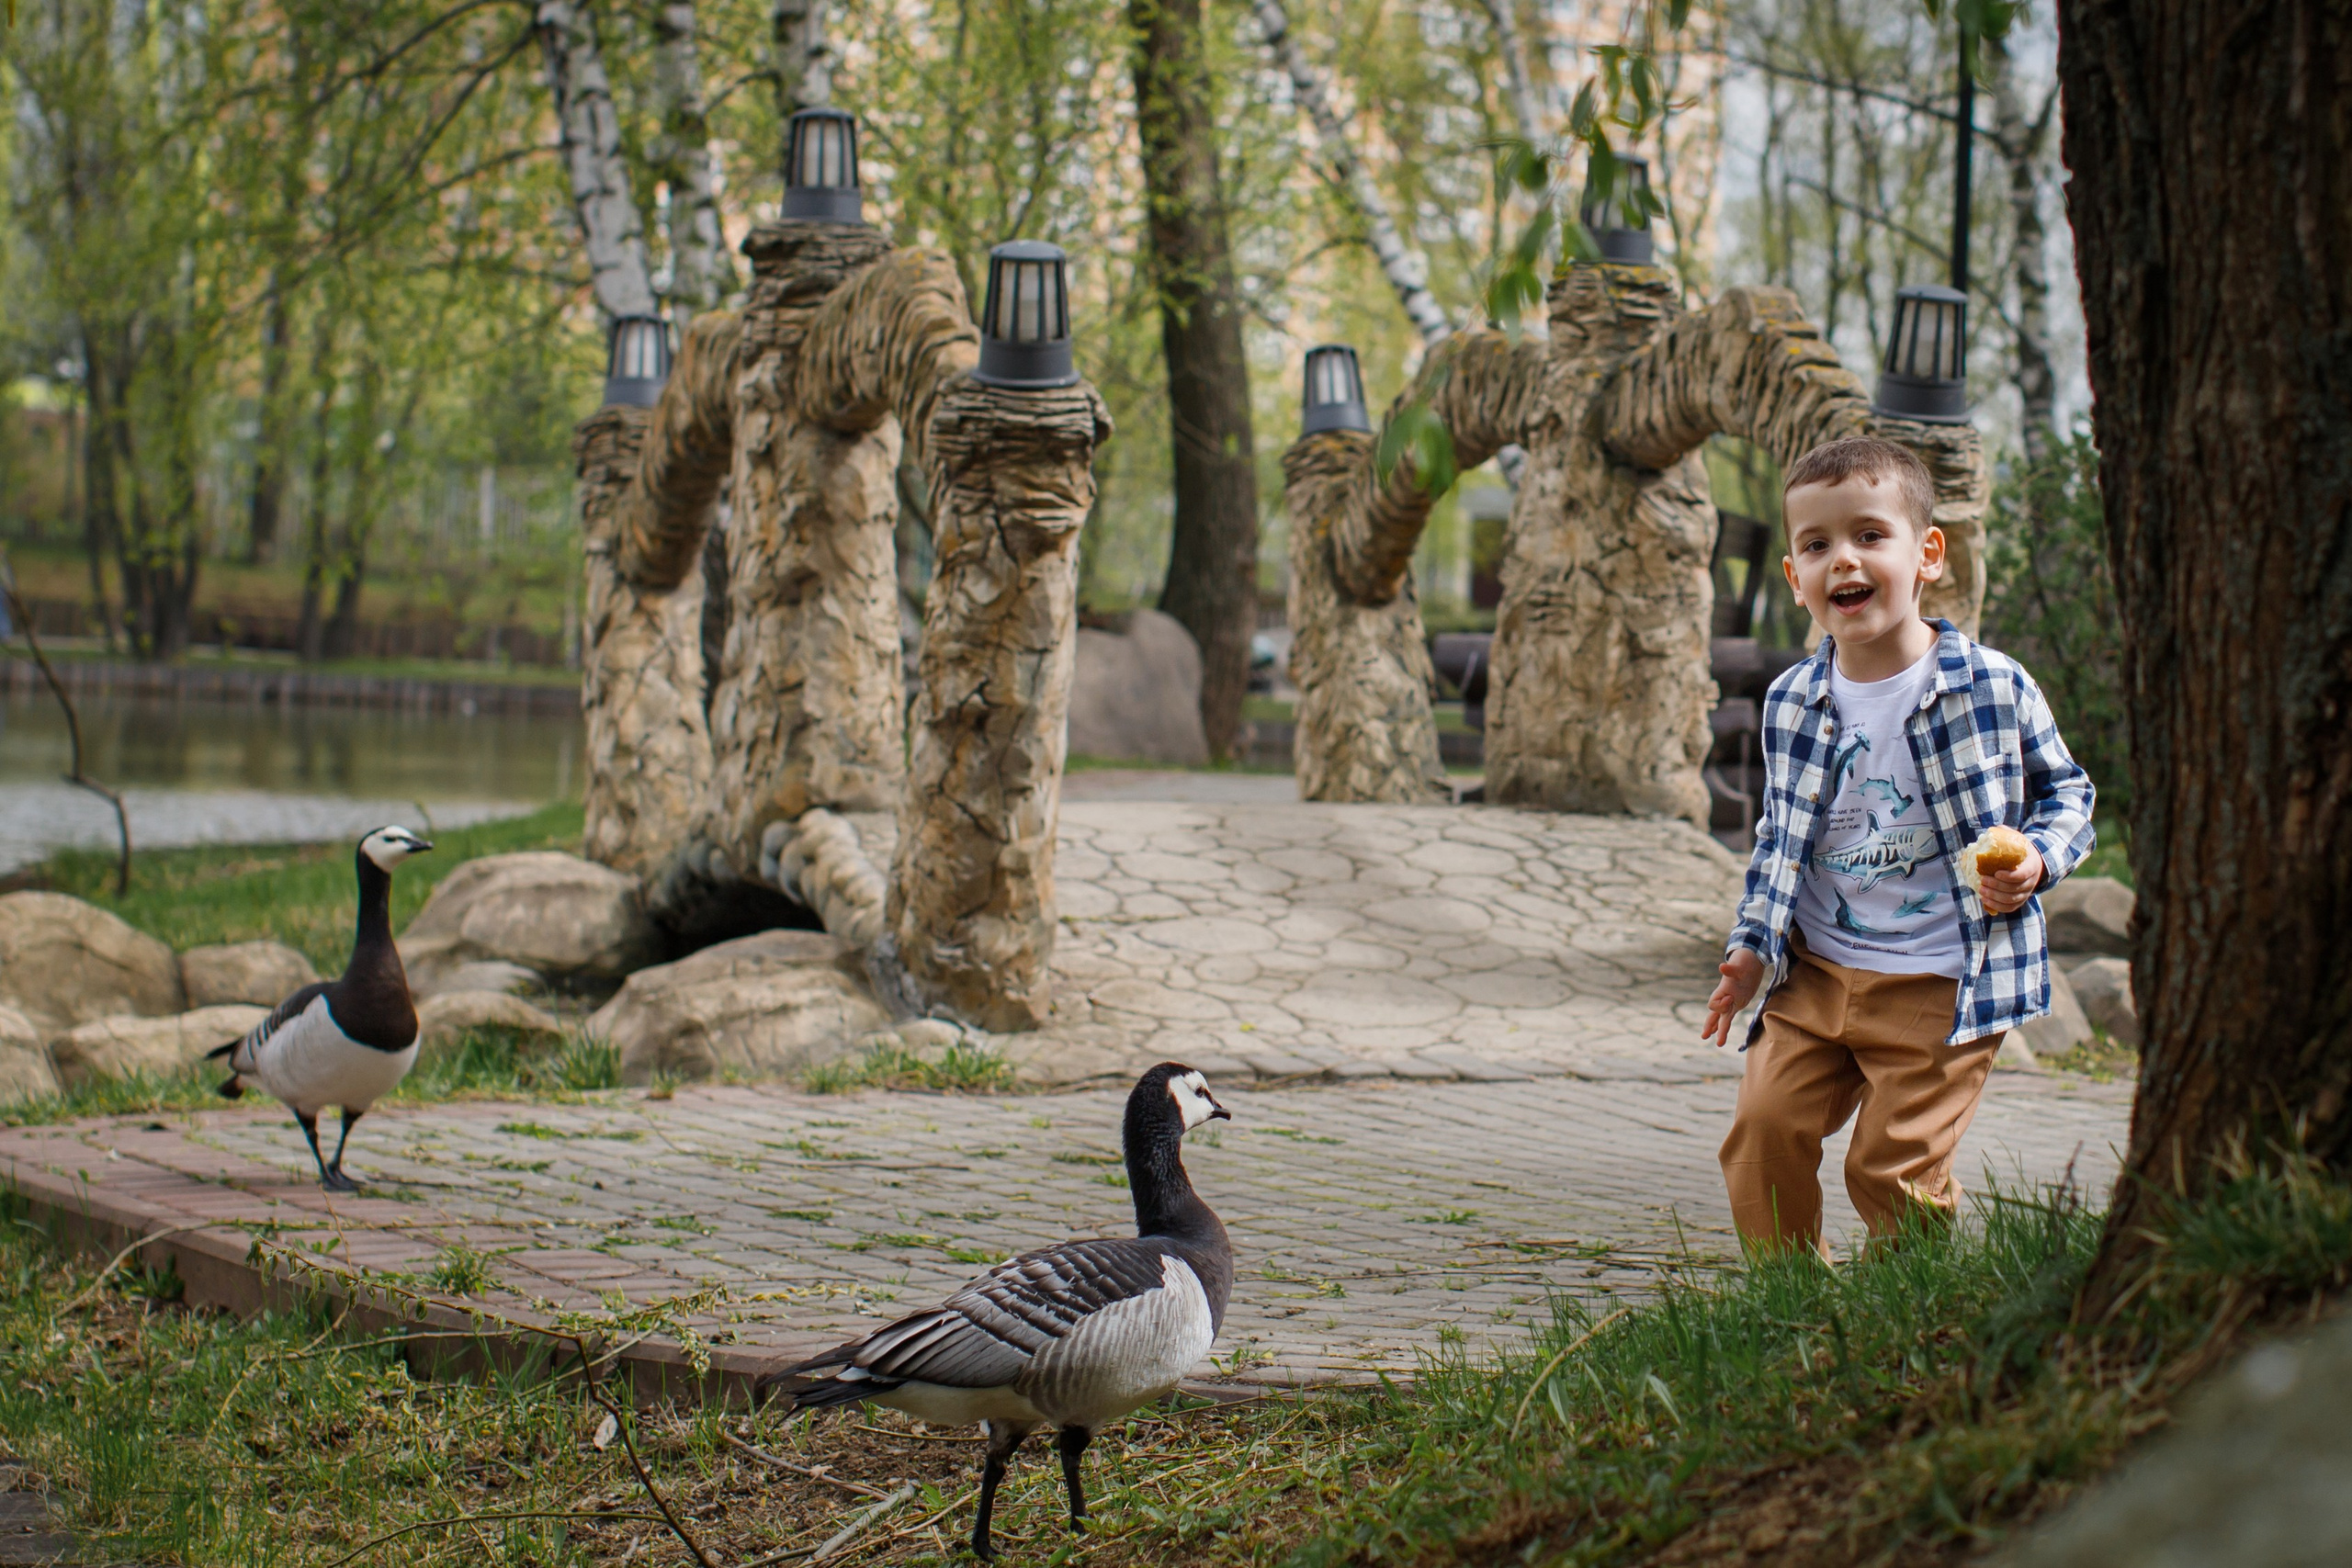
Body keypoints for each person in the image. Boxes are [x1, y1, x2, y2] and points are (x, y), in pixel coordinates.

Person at [1700, 434, 2096, 1257]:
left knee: (1890, 1169)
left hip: (1939, 978)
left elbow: (2071, 796)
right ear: (1794, 578)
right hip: (1816, 974)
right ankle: (1789, 1303)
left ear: (1928, 554)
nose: (1843, 559)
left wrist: (2037, 856)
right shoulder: (1791, 702)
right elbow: (1778, 839)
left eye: (1869, 535)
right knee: (1760, 1135)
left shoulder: (1993, 685)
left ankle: (1903, 1309)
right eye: (1817, 545)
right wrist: (1750, 949)